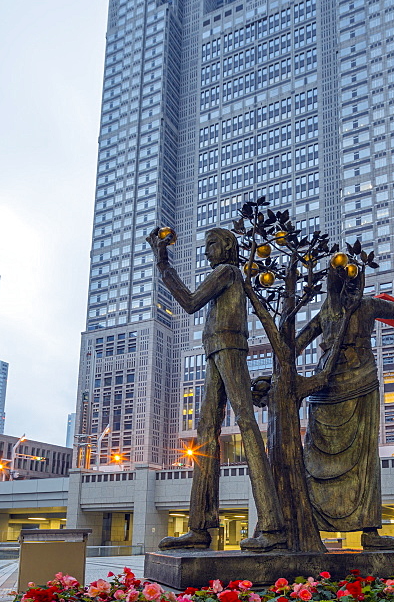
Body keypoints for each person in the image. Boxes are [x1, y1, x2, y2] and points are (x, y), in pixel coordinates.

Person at [147, 226, 286, 552]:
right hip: (215, 351)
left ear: (226, 247)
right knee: (205, 434)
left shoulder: (227, 271)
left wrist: (162, 261)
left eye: (211, 244)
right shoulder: (227, 274)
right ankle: (200, 527)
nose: (207, 252)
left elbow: (192, 301)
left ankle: (273, 525)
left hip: (228, 348)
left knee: (247, 425)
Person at [296, 248, 394, 549]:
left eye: (352, 277)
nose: (348, 283)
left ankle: (370, 531)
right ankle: (313, 528)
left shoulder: (369, 306)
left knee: (365, 459)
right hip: (326, 386)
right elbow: (295, 344)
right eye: (340, 276)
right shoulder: (327, 311)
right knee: (315, 457)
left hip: (361, 380)